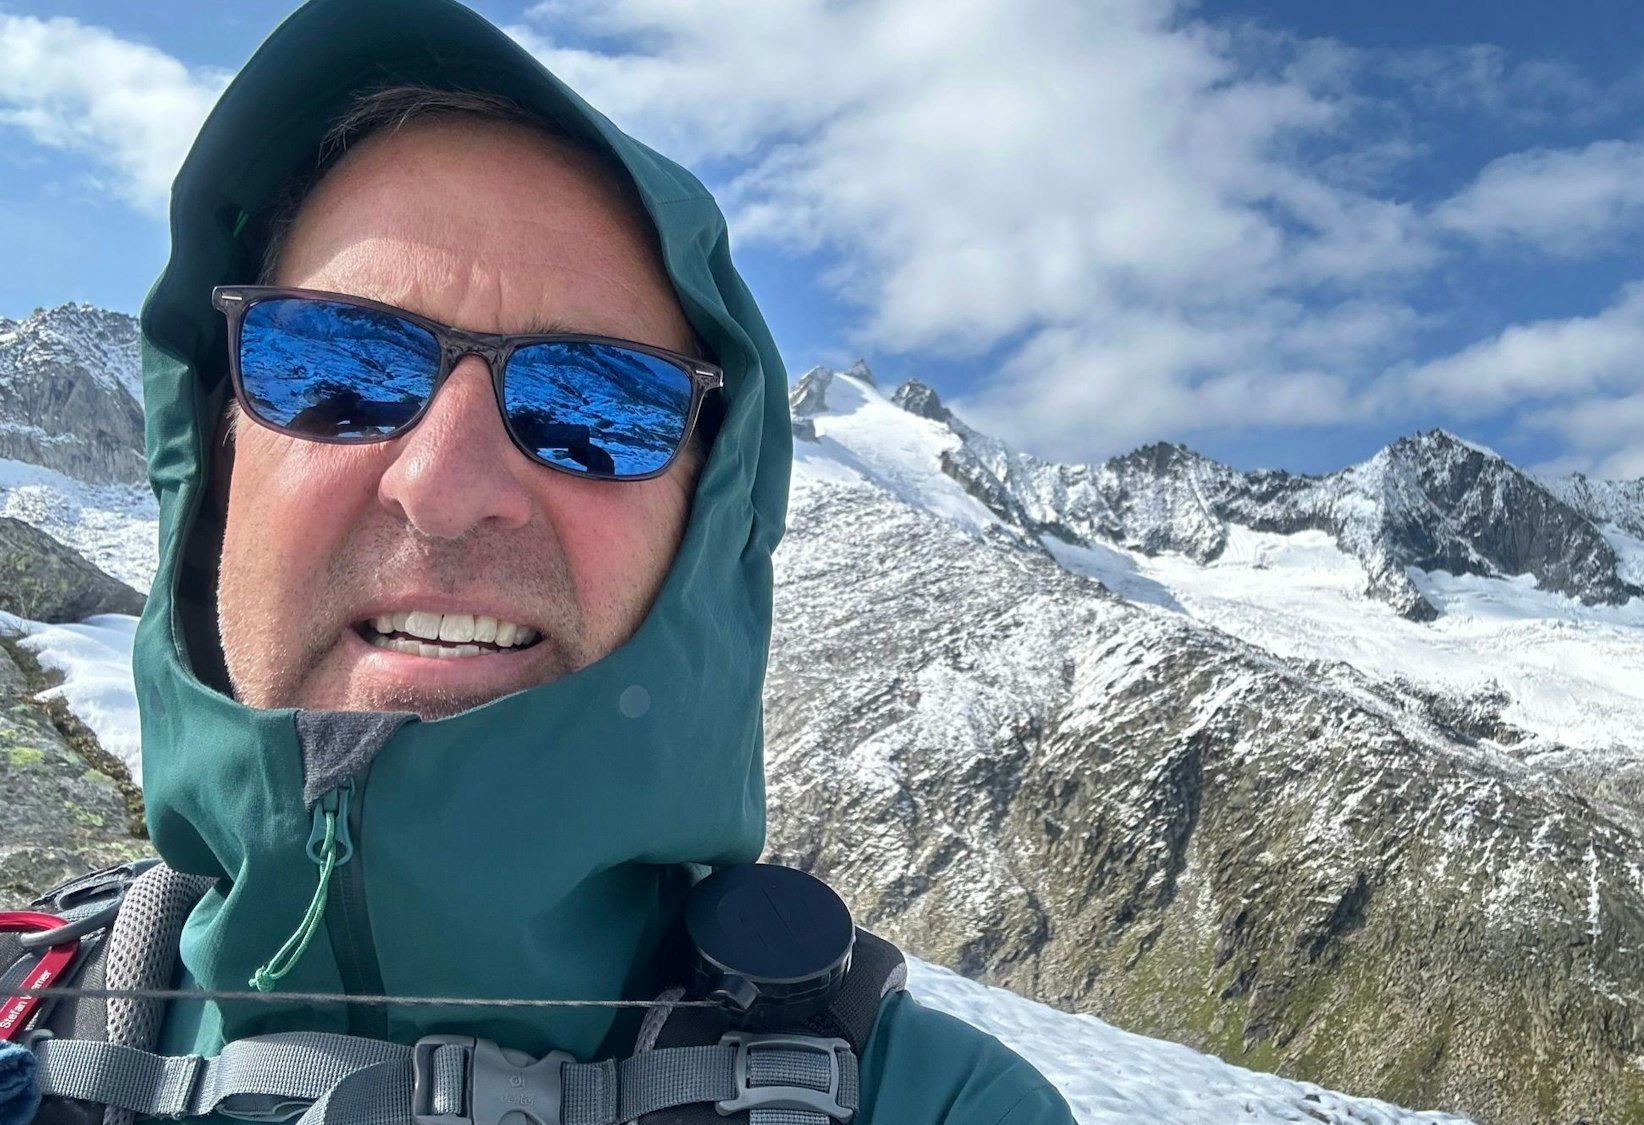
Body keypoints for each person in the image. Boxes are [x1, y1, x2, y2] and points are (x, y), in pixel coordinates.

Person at [3, 0, 1076, 1122]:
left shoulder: (942, 1103)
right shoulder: (25, 1017)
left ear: (704, 533)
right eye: (338, 366)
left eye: (599, 408)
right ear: (217, 467)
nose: (443, 485)